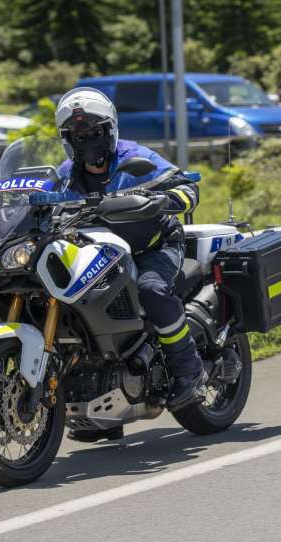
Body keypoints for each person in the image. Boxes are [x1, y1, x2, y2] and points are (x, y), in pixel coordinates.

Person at [54, 88, 206, 441]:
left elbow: (186, 187)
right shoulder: (64, 174)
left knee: (151, 290)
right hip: (99, 252)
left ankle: (188, 371)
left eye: (92, 133)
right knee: (74, 309)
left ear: (109, 130)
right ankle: (99, 400)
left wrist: (165, 200)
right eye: (78, 136)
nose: (86, 141)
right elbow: (36, 201)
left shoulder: (136, 157)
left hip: (153, 245)